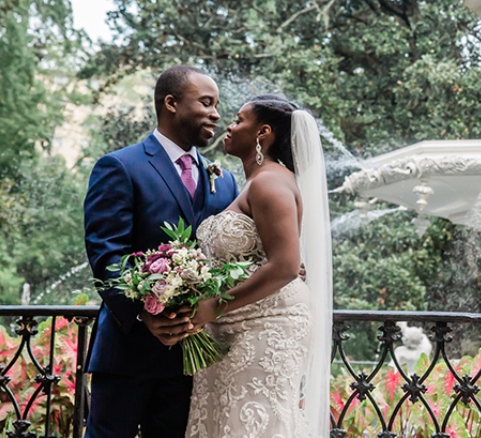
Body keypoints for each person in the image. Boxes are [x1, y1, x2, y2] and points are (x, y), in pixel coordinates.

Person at [84, 65, 240, 438]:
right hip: (128, 353)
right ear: (170, 103)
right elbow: (107, 255)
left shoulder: (226, 179)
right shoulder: (121, 166)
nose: (216, 113)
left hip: (192, 362)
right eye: (206, 102)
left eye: (217, 104)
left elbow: (232, 255)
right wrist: (144, 315)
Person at [181, 95, 332, 438]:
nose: (229, 126)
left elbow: (285, 267)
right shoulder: (255, 181)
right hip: (233, 326)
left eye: (239, 120)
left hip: (266, 328)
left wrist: (213, 307)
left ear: (263, 132)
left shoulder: (269, 182)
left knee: (253, 422)